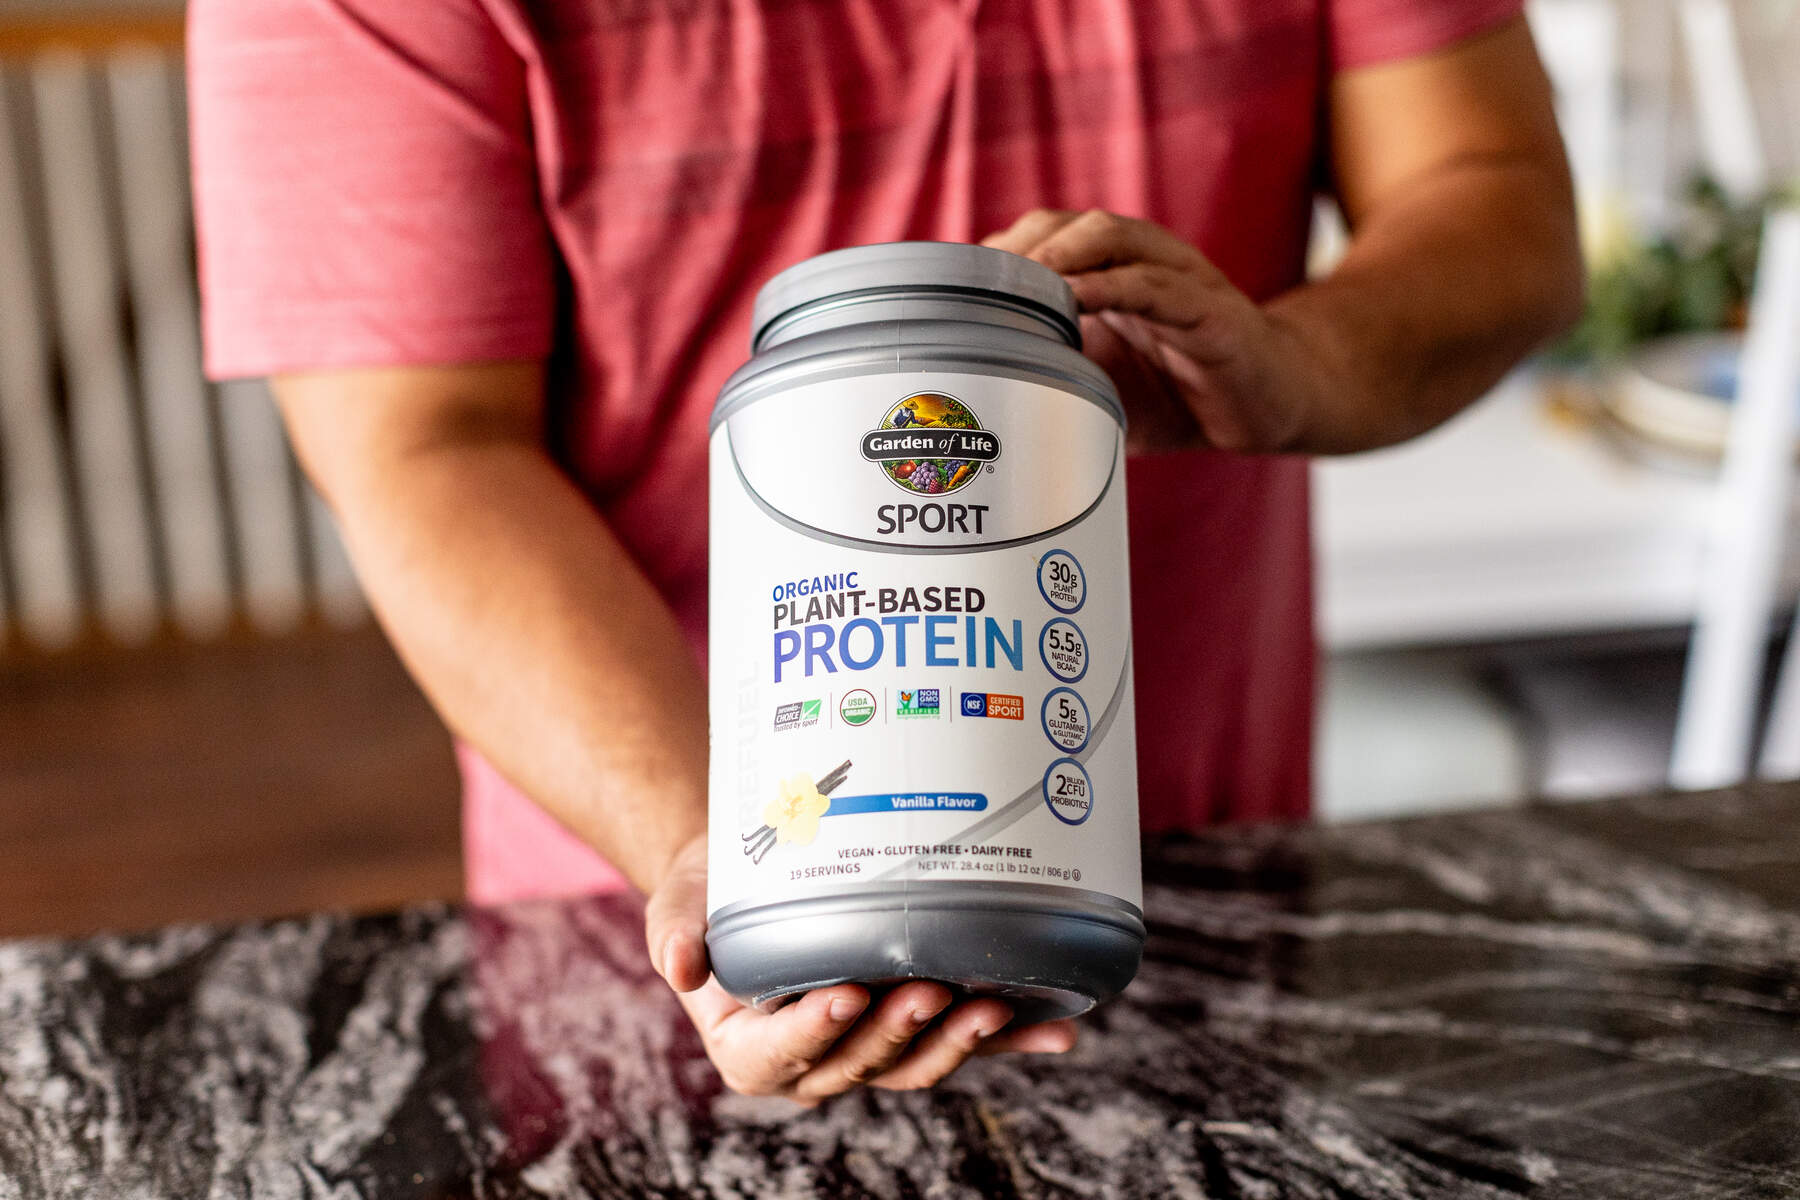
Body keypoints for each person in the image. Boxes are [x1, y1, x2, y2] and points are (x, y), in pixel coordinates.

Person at [189, 0, 1581, 1106]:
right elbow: (422, 449)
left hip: (1205, 889)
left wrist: (1289, 364)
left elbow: (1496, 196)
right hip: (654, 920)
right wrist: (721, 859)